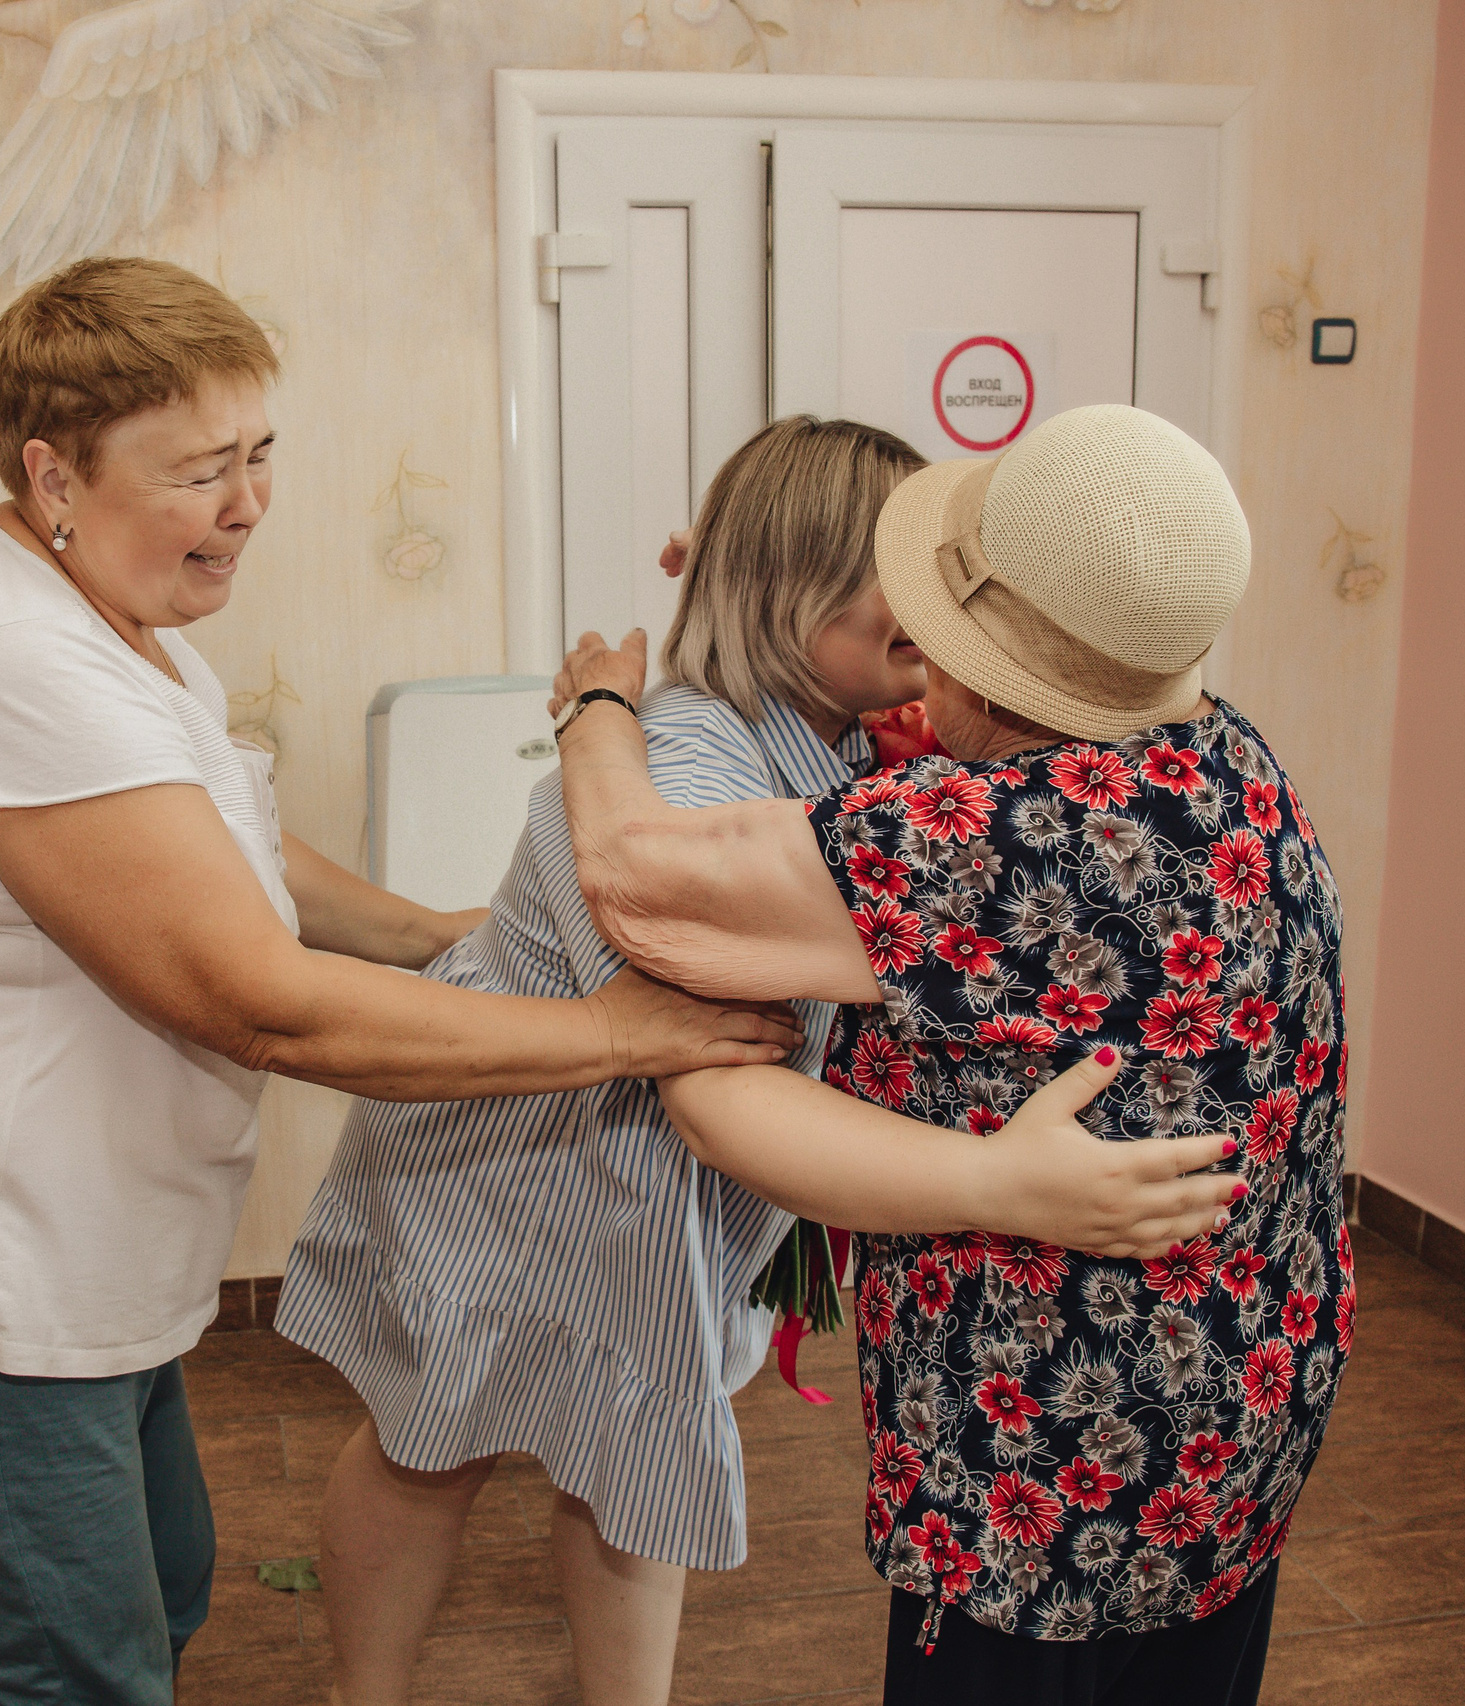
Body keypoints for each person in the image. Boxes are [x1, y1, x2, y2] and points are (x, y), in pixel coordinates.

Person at [0, 256, 801, 1706]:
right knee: (83, 1676)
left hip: (92, 1268)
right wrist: (605, 1032)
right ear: (52, 471)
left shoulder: (124, 628)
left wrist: (439, 931)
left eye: (260, 453)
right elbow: (259, 996)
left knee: (170, 1595)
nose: (247, 500)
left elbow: (231, 841)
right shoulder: (8, 663)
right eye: (200, 470)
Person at [277, 416, 1239, 1706]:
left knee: (619, 1473)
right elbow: (689, 989)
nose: (934, 613)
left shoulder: (839, 732)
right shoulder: (681, 762)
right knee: (430, 1443)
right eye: (898, 586)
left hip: (635, 1181)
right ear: (780, 586)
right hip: (509, 1160)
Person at [550, 404, 1350, 1706]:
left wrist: (593, 697)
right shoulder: (1224, 753)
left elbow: (639, 882)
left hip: (1052, 1475)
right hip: (1242, 1412)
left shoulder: (988, 838)